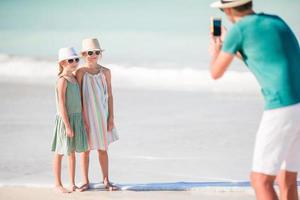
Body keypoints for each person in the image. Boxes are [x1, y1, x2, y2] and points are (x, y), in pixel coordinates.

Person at [209, 0, 300, 199]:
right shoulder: (276, 21)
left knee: (260, 180)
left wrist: (217, 51)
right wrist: (234, 46)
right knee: (287, 180)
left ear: (228, 9)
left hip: (281, 107)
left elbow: (215, 72)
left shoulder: (238, 30)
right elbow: (263, 57)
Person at [76, 38, 119, 192]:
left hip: (101, 114)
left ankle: (106, 179)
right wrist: (81, 117)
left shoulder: (105, 72)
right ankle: (85, 181)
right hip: (86, 116)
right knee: (85, 150)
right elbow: (79, 96)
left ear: (100, 54)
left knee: (102, 149)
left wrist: (111, 117)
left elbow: (110, 95)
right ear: (83, 54)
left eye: (96, 52)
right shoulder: (80, 72)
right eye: (90, 52)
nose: (93, 55)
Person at [51, 47, 89, 193]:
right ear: (62, 63)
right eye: (70, 60)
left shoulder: (74, 78)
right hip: (65, 120)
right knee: (60, 152)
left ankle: (72, 183)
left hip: (77, 118)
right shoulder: (62, 80)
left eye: (76, 60)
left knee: (72, 152)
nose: (74, 63)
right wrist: (67, 125)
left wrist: (83, 119)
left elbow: (79, 100)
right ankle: (57, 184)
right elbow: (61, 104)